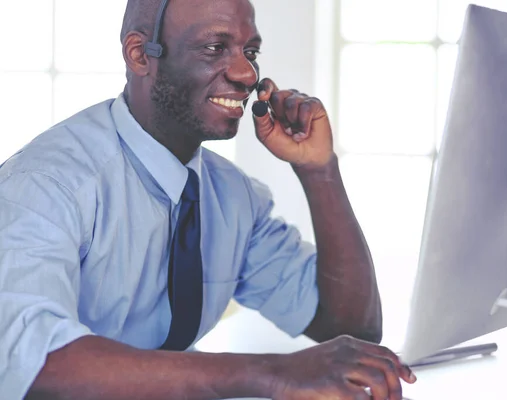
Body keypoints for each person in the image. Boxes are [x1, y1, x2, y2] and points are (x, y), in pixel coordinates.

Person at [0, 0, 416, 399]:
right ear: (140, 54)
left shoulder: (232, 196)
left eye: (250, 51)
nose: (246, 73)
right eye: (215, 48)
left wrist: (319, 170)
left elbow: (350, 328)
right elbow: (34, 363)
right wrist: (270, 374)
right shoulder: (47, 183)